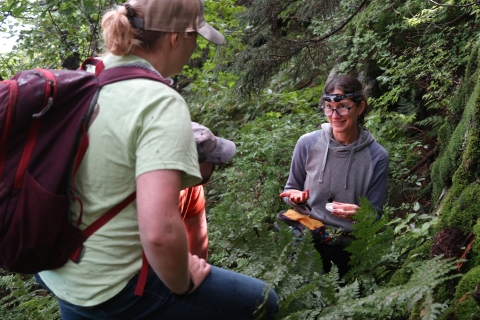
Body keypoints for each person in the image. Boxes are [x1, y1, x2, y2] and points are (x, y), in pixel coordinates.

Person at [34, 1, 279, 319]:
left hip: (56, 270)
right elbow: (160, 233)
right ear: (177, 37)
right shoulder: (158, 101)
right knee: (263, 302)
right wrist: (183, 283)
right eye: (196, 37)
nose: (194, 47)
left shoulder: (82, 79)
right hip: (115, 285)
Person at [279, 74, 389, 278]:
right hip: (306, 227)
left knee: (318, 276)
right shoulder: (307, 143)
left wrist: (359, 213)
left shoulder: (377, 157)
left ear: (360, 108)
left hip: (344, 240)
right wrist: (294, 197)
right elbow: (290, 189)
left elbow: (374, 215)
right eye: (328, 106)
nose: (334, 115)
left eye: (343, 106)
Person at [181, 122, 237, 260]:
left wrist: (197, 279)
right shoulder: (150, 191)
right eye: (210, 159)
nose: (214, 165)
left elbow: (197, 234)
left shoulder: (193, 186)